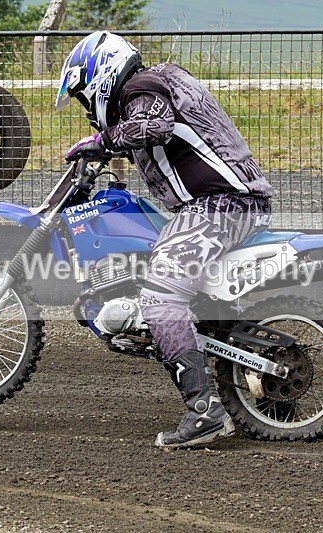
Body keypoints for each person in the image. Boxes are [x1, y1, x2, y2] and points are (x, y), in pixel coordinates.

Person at [56, 31, 273, 448]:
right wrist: (105, 152)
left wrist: (102, 141)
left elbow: (152, 126)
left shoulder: (143, 87)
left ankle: (205, 412)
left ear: (102, 75)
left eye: (85, 98)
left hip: (220, 205)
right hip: (217, 204)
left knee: (159, 297)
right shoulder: (155, 84)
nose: (88, 110)